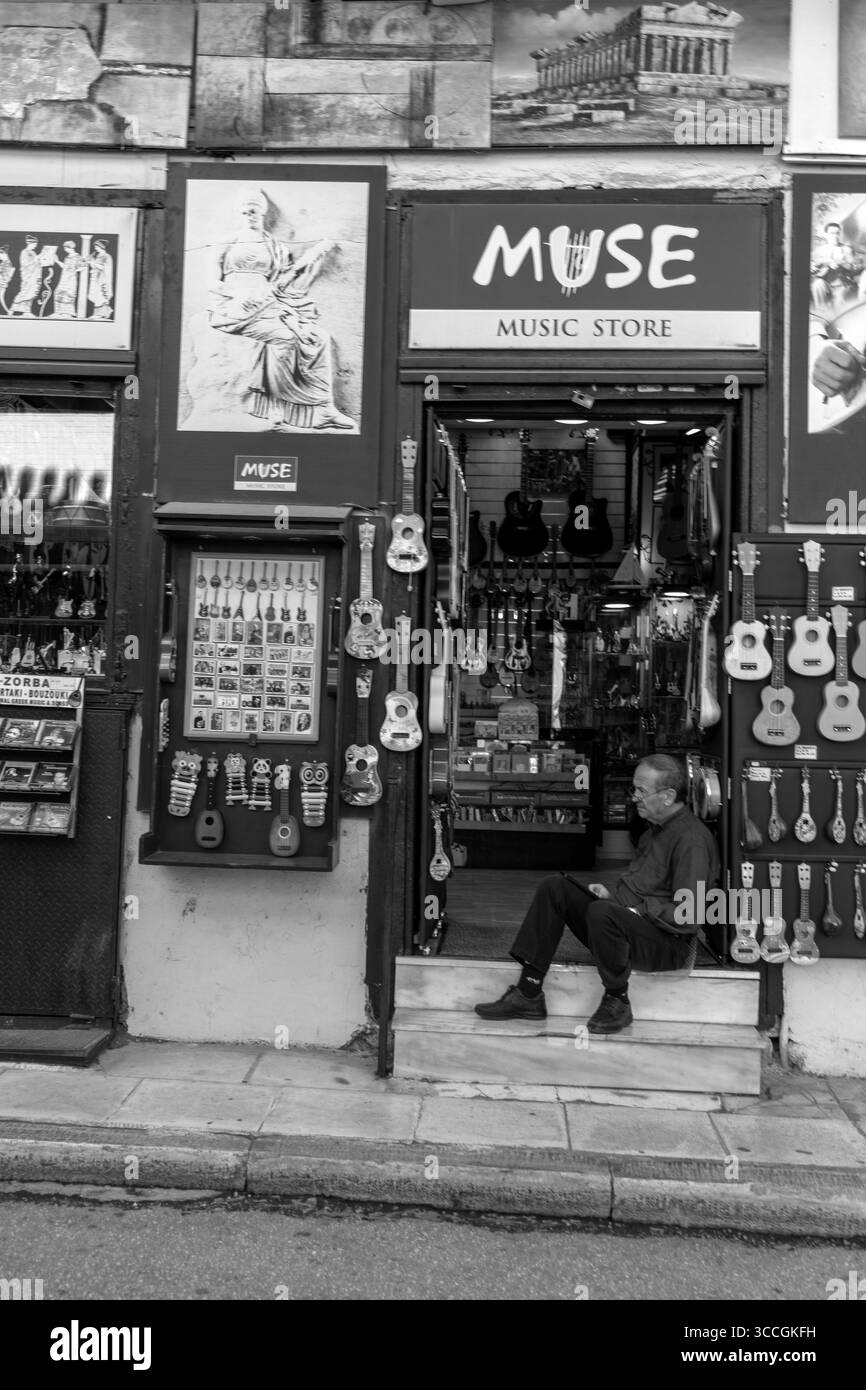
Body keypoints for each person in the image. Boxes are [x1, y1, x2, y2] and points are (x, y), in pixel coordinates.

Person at [475, 754, 720, 1035]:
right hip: (630, 927)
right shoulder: (654, 831)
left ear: (668, 796)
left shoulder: (691, 840)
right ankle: (528, 993)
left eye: (641, 791)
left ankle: (618, 1000)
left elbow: (689, 915)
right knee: (555, 887)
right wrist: (613, 899)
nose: (634, 797)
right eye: (634, 789)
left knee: (602, 913)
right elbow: (645, 887)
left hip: (668, 946)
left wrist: (634, 910)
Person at [207, 189, 354, 432]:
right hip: (234, 309)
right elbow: (211, 281)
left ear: (262, 212)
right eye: (244, 212)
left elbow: (284, 281)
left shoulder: (275, 247)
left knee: (319, 338)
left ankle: (325, 408)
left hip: (268, 304)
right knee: (285, 338)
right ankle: (278, 405)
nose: (248, 216)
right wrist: (236, 296)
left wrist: (312, 260)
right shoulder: (227, 241)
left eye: (253, 211)